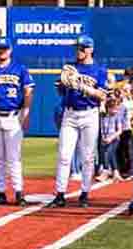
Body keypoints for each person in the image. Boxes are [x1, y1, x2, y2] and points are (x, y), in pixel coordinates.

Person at [52, 35, 109, 208]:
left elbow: (102, 95)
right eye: (77, 48)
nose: (79, 51)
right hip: (70, 114)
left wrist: (81, 86)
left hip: (90, 114)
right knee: (64, 155)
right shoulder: (70, 67)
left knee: (88, 157)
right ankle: (60, 194)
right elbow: (61, 91)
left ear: (90, 49)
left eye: (82, 48)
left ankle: (85, 193)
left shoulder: (99, 70)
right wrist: (63, 84)